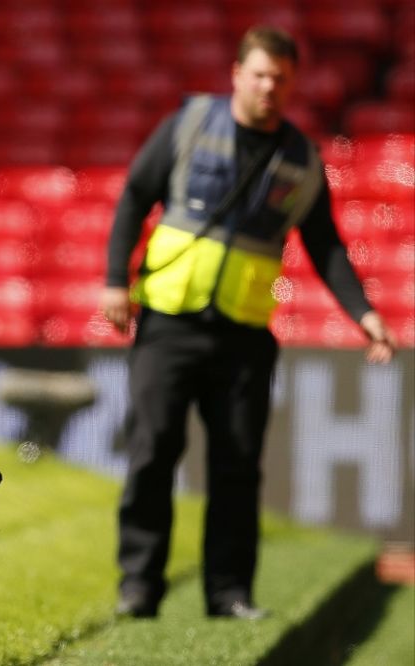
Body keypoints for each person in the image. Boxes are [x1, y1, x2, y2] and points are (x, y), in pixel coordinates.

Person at [99, 25, 397, 620]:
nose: (269, 87)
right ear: (237, 74)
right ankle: (140, 585)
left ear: (292, 84)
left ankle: (229, 591)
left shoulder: (300, 158)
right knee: (152, 451)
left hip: (244, 334)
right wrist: (114, 279)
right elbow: (136, 193)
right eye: (259, 74)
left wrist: (363, 313)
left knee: (237, 463)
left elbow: (326, 246)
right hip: (169, 322)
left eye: (281, 78)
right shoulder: (188, 126)